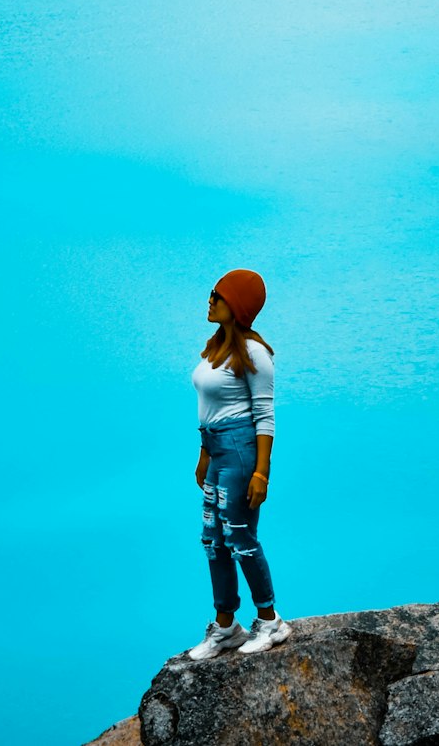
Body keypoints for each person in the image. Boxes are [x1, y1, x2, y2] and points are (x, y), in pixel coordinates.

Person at [187, 269, 291, 659]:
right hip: (217, 450)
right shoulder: (215, 347)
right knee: (213, 541)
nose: (210, 299)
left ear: (238, 304)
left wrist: (262, 472)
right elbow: (209, 408)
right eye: (212, 292)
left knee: (240, 537)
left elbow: (265, 415)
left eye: (218, 295)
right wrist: (204, 454)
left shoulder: (254, 353)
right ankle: (226, 626)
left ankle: (270, 620)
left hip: (241, 450)